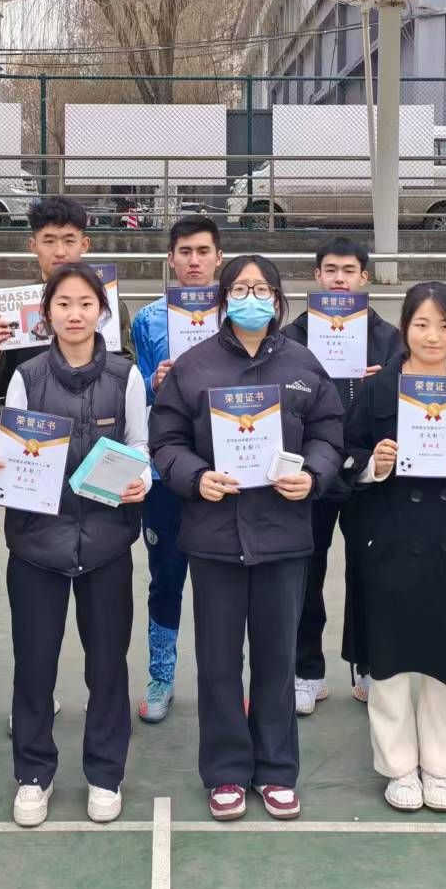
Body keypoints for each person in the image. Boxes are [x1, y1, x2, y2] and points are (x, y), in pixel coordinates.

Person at [149, 255, 345, 823]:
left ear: (278, 300)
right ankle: (227, 771)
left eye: (261, 288)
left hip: (283, 535)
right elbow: (165, 441)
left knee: (277, 659)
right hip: (214, 536)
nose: (251, 297)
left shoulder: (304, 364)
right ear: (223, 299)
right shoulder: (194, 367)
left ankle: (277, 770)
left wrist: (314, 475)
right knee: (217, 662)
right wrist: (195, 477)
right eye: (239, 288)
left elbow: (329, 432)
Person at [1, 264, 150, 828]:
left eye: (85, 303)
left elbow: (140, 445)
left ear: (102, 312)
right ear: (47, 314)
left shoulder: (126, 376)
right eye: (63, 303)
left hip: (107, 542)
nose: (74, 314)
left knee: (107, 665)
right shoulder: (27, 376)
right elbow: (12, 449)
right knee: (34, 664)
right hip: (35, 543)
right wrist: (2, 466)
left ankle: (105, 773)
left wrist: (142, 479)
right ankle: (33, 774)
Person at [343, 282, 446, 813]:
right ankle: (397, 767)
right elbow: (345, 457)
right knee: (388, 660)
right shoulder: (375, 392)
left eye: (445, 326)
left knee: (445, 659)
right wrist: (374, 464)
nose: (433, 336)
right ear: (404, 328)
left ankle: (440, 766)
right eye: (422, 324)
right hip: (388, 539)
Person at [283, 236, 405, 713]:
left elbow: (409, 398)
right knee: (305, 572)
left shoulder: (388, 338)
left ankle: (367, 663)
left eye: (349, 270)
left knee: (369, 570)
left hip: (368, 471)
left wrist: (381, 387)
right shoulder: (291, 336)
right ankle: (305, 671)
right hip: (310, 470)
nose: (339, 278)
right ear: (317, 275)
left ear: (364, 277)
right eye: (330, 269)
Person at [127, 214, 223, 723]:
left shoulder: (236, 314)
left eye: (203, 251)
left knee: (224, 584)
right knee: (166, 577)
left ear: (218, 258)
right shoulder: (147, 320)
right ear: (170, 259)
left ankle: (222, 681)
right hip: (166, 471)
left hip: (225, 469)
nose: (194, 261)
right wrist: (154, 380)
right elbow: (132, 390)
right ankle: (161, 676)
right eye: (185, 251)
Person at [0, 195, 135, 403]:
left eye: (69, 241)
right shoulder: (7, 309)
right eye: (48, 241)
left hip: (93, 416)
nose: (60, 252)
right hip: (29, 421)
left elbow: (126, 378)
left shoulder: (107, 304)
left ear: (84, 244)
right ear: (33, 245)